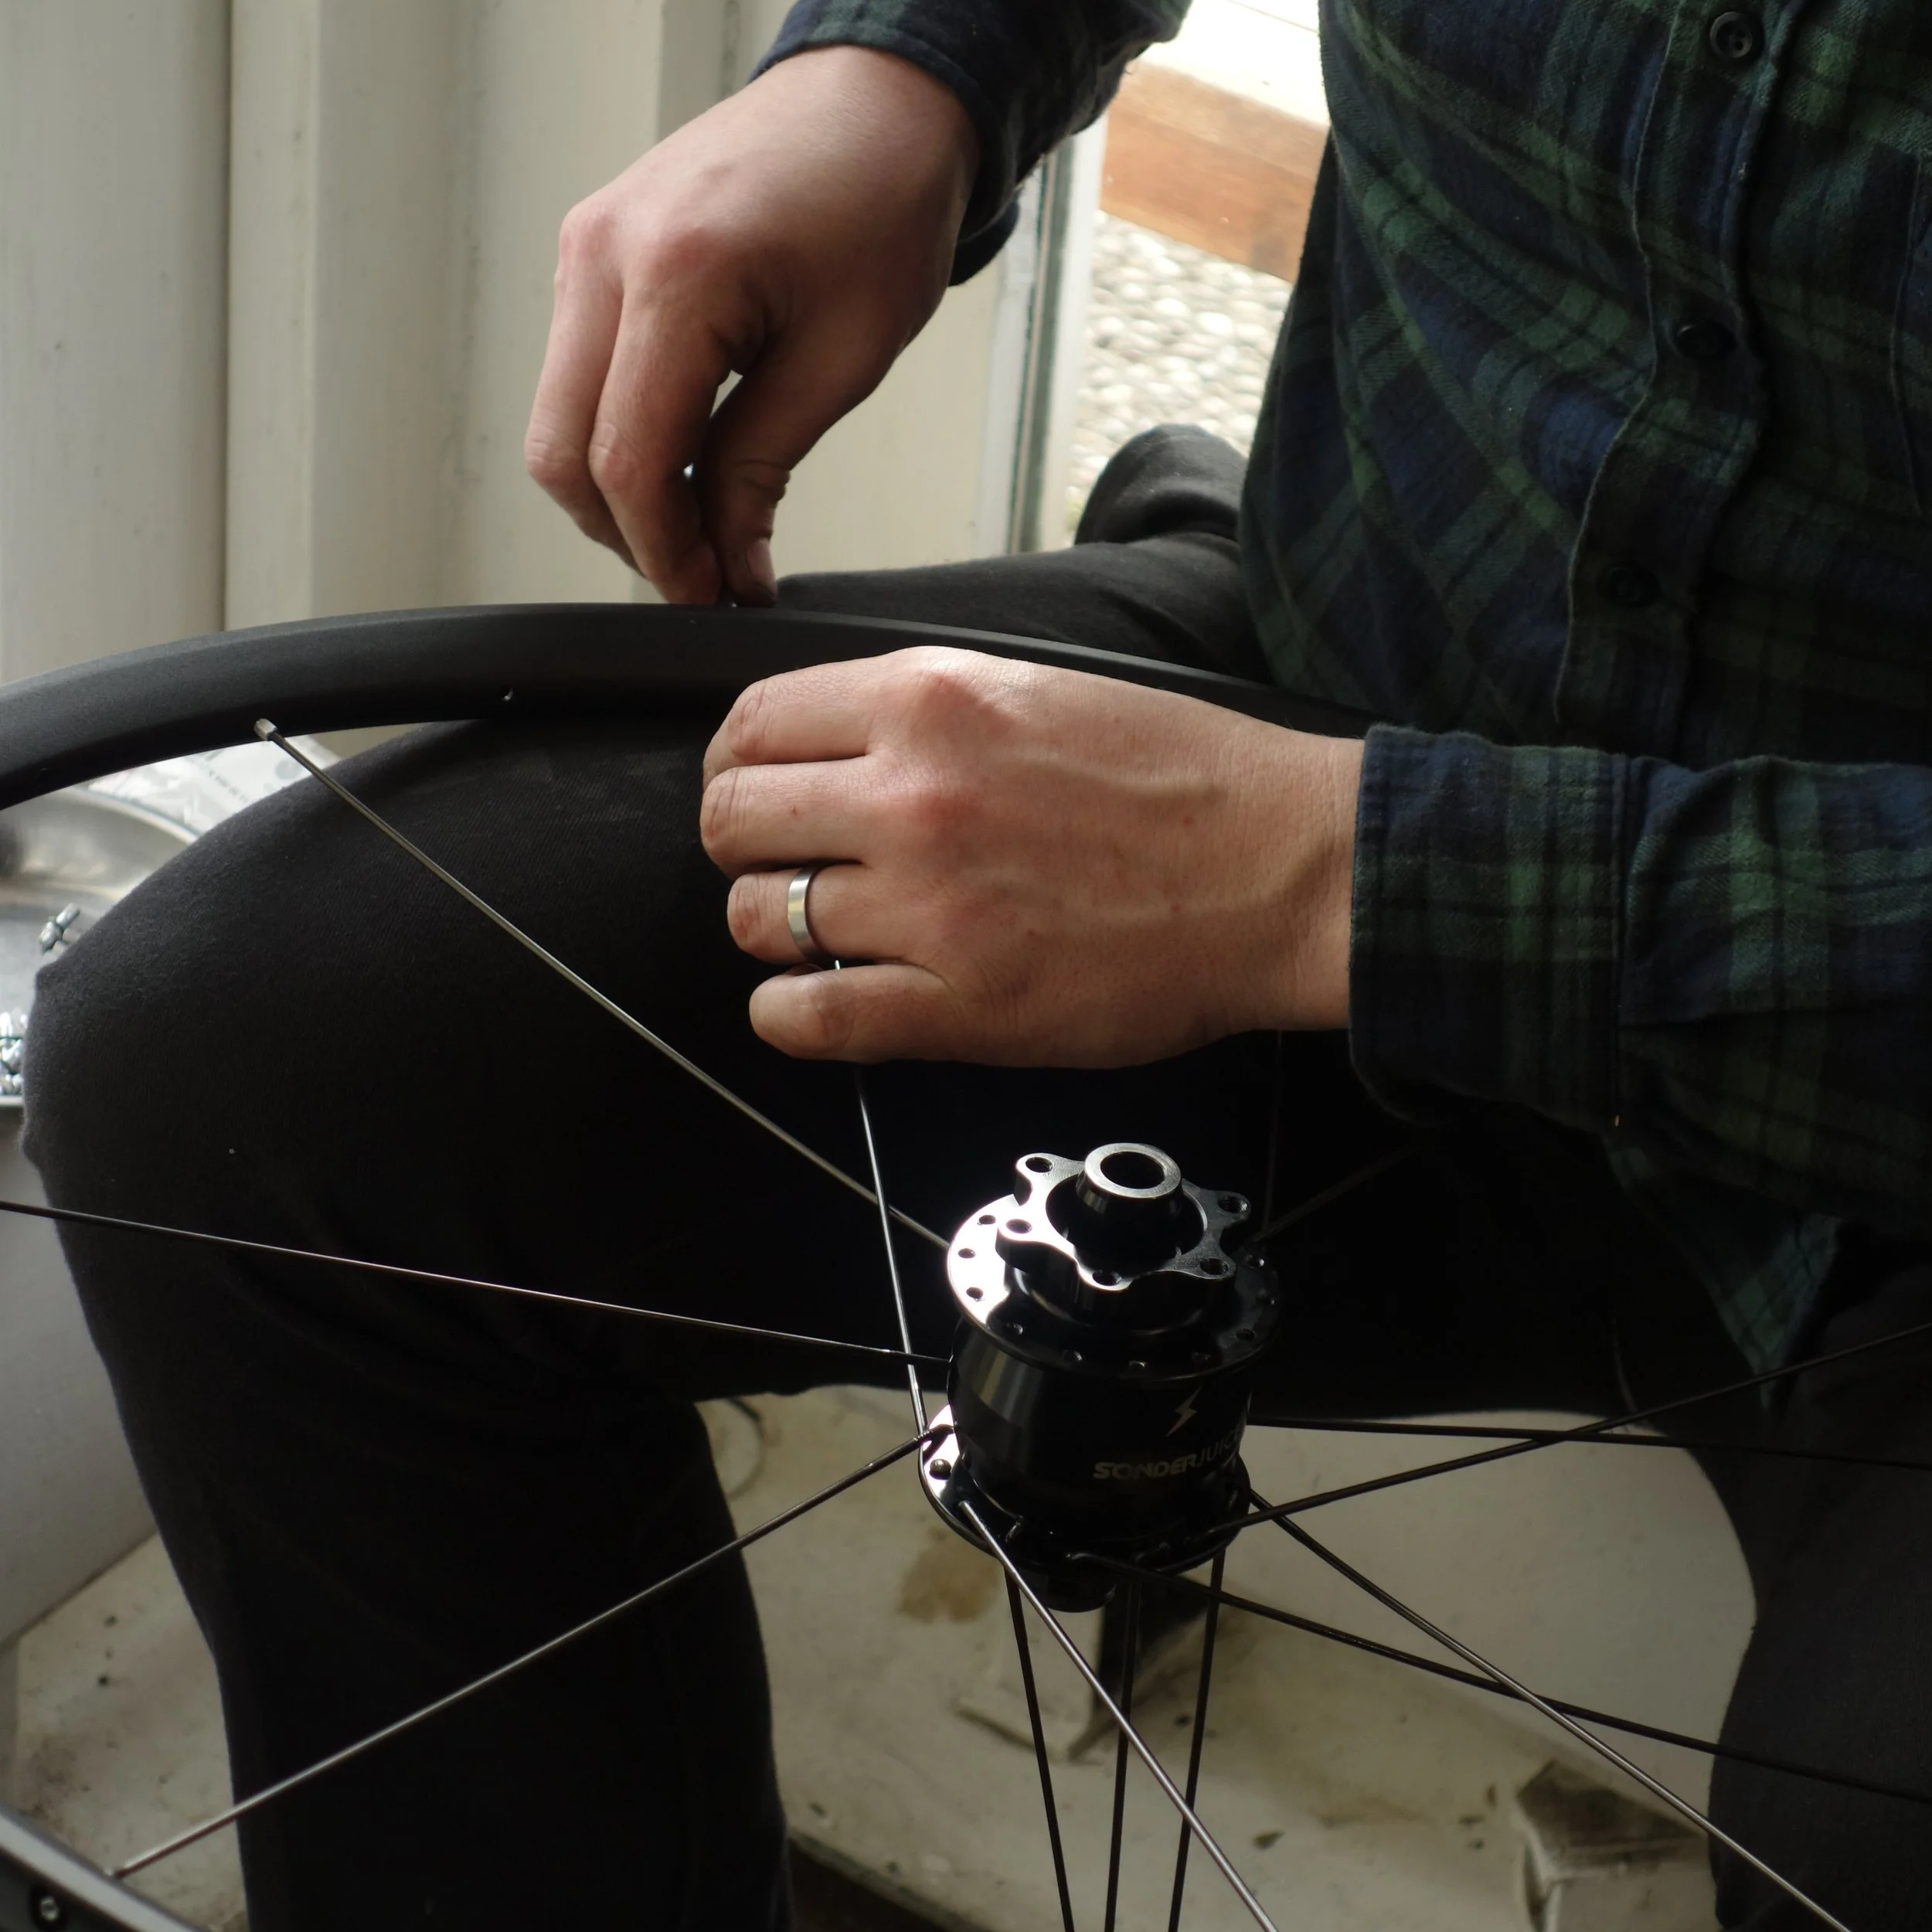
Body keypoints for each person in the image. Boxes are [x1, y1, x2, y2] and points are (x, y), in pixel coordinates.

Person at [22, 2, 1932, 1927]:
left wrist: (1346, 880)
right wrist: (912, 64)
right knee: (247, 1077)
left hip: (1840, 1087)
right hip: (1357, 684)